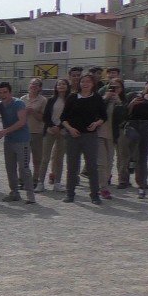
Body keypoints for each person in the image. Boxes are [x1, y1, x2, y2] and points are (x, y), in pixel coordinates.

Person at [60, 73, 107, 204]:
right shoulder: (72, 97)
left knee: (92, 166)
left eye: (88, 81)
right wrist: (70, 129)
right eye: (83, 81)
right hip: (73, 136)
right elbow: (63, 118)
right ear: (79, 83)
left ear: (93, 84)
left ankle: (94, 195)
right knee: (72, 166)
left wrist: (97, 123)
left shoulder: (97, 98)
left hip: (90, 136)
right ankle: (70, 193)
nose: (85, 84)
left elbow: (104, 116)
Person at [0, 82, 35, 204]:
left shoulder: (18, 103)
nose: (3, 95)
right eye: (0, 93)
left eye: (5, 92)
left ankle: (30, 195)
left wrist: (4, 131)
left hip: (22, 140)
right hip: (9, 141)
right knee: (10, 168)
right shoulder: (0, 105)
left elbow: (22, 122)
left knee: (24, 168)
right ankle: (14, 193)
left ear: (10, 92)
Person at [38, 78, 70, 192]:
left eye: (63, 84)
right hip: (50, 131)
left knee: (59, 159)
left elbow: (70, 116)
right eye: (59, 84)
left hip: (63, 132)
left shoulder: (70, 100)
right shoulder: (51, 100)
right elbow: (46, 116)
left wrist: (60, 127)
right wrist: (52, 126)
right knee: (45, 158)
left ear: (67, 86)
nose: (61, 86)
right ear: (56, 87)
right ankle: (40, 183)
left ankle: (57, 183)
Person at [96, 79, 125, 200]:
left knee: (109, 162)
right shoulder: (101, 99)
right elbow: (95, 111)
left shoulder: (122, 101)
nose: (114, 90)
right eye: (112, 87)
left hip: (113, 135)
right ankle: (103, 188)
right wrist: (104, 98)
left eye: (117, 87)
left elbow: (124, 117)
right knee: (102, 163)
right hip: (100, 134)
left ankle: (102, 184)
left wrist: (119, 103)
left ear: (121, 89)